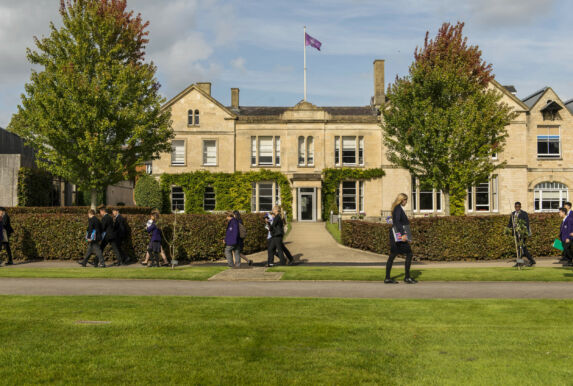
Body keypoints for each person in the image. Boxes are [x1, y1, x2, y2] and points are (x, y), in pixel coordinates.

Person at [385, 193, 417, 284]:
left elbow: (397, 221)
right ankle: (407, 277)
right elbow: (398, 222)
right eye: (406, 200)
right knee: (409, 254)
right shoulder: (398, 209)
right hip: (398, 235)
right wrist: (403, 234)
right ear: (402, 200)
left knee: (392, 255)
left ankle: (387, 278)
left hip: (394, 235)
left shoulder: (397, 208)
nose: (406, 202)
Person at [507, 201, 536, 267]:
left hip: (522, 234)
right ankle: (523, 262)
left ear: (520, 207)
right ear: (514, 207)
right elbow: (510, 223)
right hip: (516, 234)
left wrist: (526, 232)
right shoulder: (513, 214)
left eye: (518, 207)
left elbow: (527, 223)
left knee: (522, 248)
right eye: (516, 207)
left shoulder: (524, 213)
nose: (517, 208)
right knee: (520, 249)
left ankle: (527, 261)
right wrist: (507, 228)